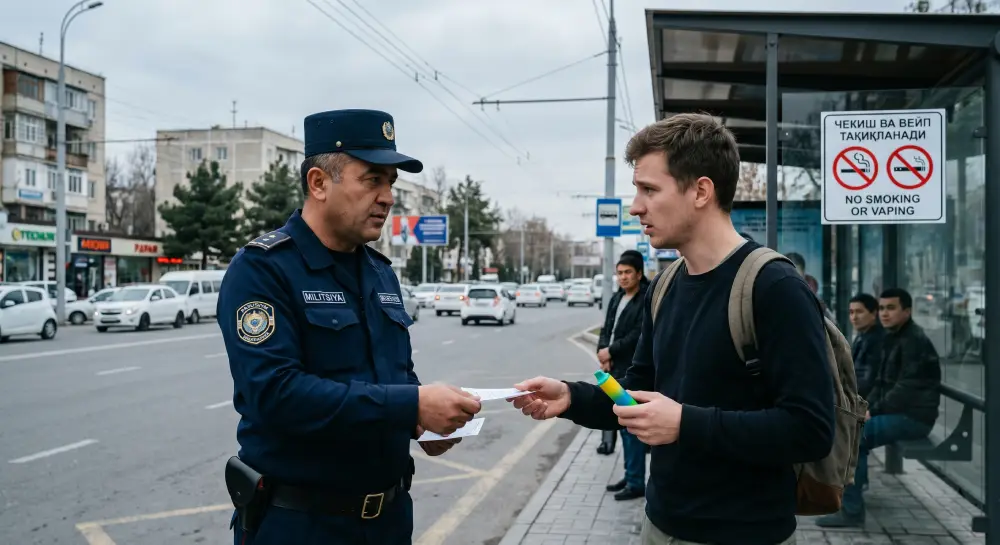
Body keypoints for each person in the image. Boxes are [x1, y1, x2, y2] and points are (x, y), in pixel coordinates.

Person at [510, 113, 834, 545]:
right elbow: (635, 393)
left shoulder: (775, 288)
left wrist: (685, 423)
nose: (635, 206)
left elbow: (810, 430)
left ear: (701, 190)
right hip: (660, 525)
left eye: (649, 189)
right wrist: (571, 397)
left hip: (746, 533)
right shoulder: (664, 287)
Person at [218, 109, 482, 545]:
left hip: (390, 520)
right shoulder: (263, 270)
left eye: (391, 183)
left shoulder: (380, 272)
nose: (388, 197)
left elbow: (393, 376)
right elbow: (276, 394)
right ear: (319, 183)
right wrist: (410, 406)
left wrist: (423, 426)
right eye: (372, 180)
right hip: (303, 525)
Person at [816, 287, 940, 528]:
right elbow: (882, 384)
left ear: (907, 311)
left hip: (913, 418)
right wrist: (865, 406)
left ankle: (851, 511)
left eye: (891, 308)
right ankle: (849, 495)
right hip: (899, 413)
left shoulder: (913, 341)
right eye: (882, 308)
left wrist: (873, 409)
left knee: (853, 435)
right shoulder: (894, 337)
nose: (885, 313)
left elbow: (905, 389)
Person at [594, 249, 650, 501]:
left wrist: (610, 351)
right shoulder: (617, 298)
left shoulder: (646, 299)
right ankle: (631, 475)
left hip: (632, 371)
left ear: (639, 274)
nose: (623, 277)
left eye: (628, 272)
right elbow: (607, 328)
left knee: (631, 427)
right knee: (623, 425)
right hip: (614, 369)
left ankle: (637, 481)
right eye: (619, 273)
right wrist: (602, 352)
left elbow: (638, 335)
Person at [847, 293, 884, 398]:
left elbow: (868, 379)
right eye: (851, 312)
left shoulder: (877, 340)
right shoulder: (862, 337)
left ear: (873, 314)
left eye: (859, 312)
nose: (854, 317)